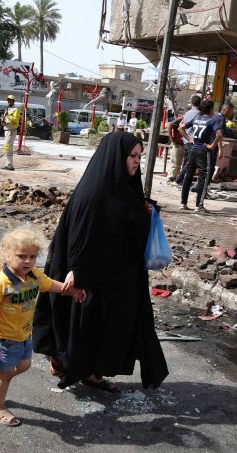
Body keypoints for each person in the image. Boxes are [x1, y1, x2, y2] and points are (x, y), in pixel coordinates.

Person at [33, 132, 169, 392]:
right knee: (87, 325)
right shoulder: (95, 191)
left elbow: (125, 218)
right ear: (116, 157)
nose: (136, 162)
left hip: (116, 274)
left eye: (139, 157)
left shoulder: (125, 188)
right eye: (131, 156)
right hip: (90, 274)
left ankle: (91, 373)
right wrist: (77, 271)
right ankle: (68, 363)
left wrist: (147, 210)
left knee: (108, 326)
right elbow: (81, 233)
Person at [0, 226, 86, 426]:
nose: (28, 261)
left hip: (24, 334)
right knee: (7, 373)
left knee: (25, 365)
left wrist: (72, 291)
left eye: (32, 256)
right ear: (7, 255)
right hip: (4, 338)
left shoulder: (34, 276)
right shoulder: (0, 282)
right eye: (22, 256)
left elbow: (50, 284)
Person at [178, 100, 224, 212]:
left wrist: (189, 140)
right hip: (203, 151)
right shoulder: (212, 120)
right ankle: (199, 205)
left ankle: (183, 203)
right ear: (210, 109)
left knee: (188, 177)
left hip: (193, 150)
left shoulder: (196, 118)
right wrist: (213, 146)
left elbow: (180, 128)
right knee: (203, 178)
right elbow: (219, 134)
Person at [174, 95, 202, 186]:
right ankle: (180, 179)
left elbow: (182, 124)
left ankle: (182, 179)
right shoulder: (199, 114)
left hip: (186, 139)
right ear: (199, 103)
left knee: (186, 161)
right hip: (192, 140)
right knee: (191, 161)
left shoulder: (187, 113)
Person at [1, 95, 20, 171]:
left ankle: (10, 165)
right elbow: (4, 122)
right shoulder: (7, 110)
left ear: (13, 101)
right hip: (6, 129)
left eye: (11, 100)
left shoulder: (16, 109)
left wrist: (8, 115)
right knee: (6, 147)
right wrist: (3, 120)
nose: (9, 101)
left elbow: (15, 120)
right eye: (8, 100)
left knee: (8, 147)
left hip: (11, 130)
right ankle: (7, 163)